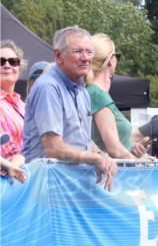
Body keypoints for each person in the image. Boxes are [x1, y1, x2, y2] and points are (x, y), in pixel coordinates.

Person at [22, 26, 118, 190]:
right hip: (46, 188)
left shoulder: (82, 91)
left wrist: (102, 155)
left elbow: (82, 140)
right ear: (59, 56)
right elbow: (53, 148)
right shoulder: (48, 87)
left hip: (71, 186)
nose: (86, 58)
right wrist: (94, 159)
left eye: (89, 52)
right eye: (78, 51)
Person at [86, 33, 143, 159]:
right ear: (111, 60)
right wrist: (140, 163)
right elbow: (114, 149)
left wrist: (131, 146)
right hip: (113, 174)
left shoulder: (91, 92)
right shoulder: (97, 95)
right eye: (117, 55)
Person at [0, 41, 27, 168]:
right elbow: (6, 147)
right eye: (1, 61)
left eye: (13, 62)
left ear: (19, 68)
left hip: (28, 174)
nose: (7, 65)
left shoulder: (22, 105)